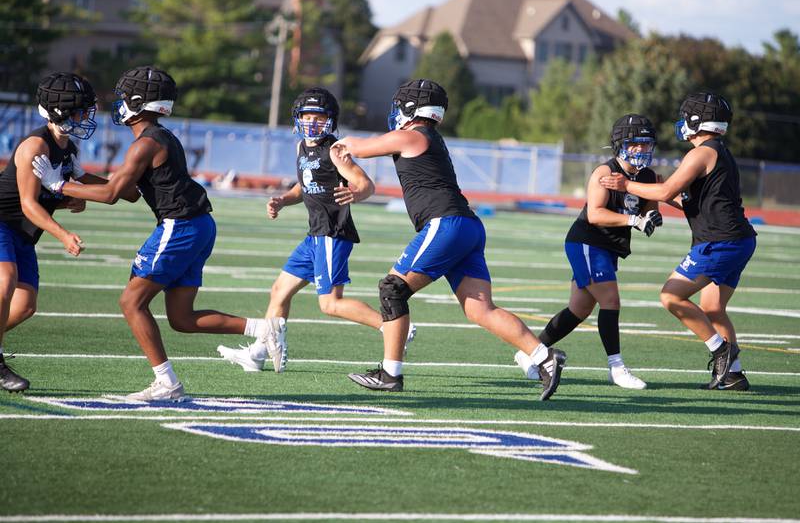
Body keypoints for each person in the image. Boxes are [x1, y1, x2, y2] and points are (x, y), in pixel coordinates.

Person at [33, 66, 277, 401]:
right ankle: (263, 329)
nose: (119, 104)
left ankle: (167, 384)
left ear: (138, 102)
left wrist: (58, 184)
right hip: (199, 224)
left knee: (131, 302)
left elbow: (113, 194)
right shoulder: (159, 137)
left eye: (123, 98)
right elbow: (131, 192)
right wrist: (82, 177)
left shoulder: (144, 144)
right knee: (181, 317)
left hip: (180, 225)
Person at [332, 79, 566, 401]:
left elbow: (358, 147)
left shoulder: (411, 135)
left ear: (410, 108)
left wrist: (335, 145)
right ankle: (543, 357)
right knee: (480, 309)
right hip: (467, 225)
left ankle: (390, 374)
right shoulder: (430, 137)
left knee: (392, 289)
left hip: (447, 224)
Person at [217, 88, 414, 372]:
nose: (312, 122)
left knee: (331, 304)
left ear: (330, 120)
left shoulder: (334, 150)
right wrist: (283, 200)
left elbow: (365, 184)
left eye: (319, 117)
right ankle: (259, 353)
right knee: (279, 291)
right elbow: (305, 184)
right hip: (315, 234)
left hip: (332, 233)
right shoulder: (301, 148)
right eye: (307, 116)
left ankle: (394, 328)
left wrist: (356, 194)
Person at [599, 93, 756, 391]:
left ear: (697, 121)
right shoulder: (719, 151)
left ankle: (721, 350)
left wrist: (627, 185)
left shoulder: (701, 153)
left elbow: (664, 191)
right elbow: (688, 202)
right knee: (712, 308)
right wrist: (661, 191)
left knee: (671, 297)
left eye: (687, 117)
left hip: (719, 242)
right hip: (738, 240)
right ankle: (732, 375)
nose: (683, 123)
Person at [0, 72, 133, 393]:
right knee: (5, 281)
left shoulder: (67, 148)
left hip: (24, 234)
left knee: (25, 306)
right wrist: (63, 234)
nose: (86, 117)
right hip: (4, 223)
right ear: (58, 111)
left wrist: (122, 186)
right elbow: (29, 204)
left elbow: (74, 189)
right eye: (79, 111)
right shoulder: (35, 146)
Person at [515, 114, 663, 390]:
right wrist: (634, 220)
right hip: (587, 242)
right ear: (620, 144)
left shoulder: (648, 176)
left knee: (579, 309)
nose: (642, 150)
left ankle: (529, 353)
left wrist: (652, 215)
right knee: (611, 300)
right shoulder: (604, 173)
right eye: (636, 144)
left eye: (646, 144)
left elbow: (650, 205)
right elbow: (595, 214)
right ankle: (616, 368)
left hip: (609, 248)